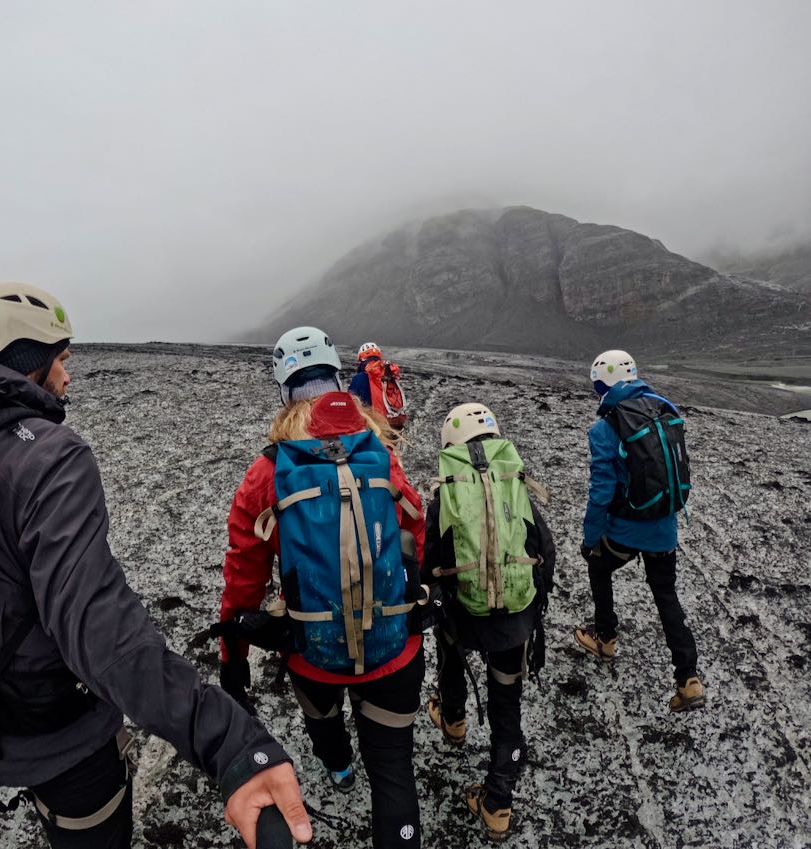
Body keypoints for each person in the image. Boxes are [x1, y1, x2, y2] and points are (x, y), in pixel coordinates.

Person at [0, 282, 312, 849]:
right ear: (26, 361)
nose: (68, 376)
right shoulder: (49, 456)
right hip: (58, 725)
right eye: (60, 360)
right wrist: (231, 743)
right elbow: (99, 632)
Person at [218, 326, 427, 849]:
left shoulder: (268, 470)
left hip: (313, 650)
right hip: (393, 647)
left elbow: (243, 576)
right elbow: (413, 528)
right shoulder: (378, 450)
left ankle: (338, 770)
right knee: (395, 774)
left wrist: (233, 655)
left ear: (284, 391)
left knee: (325, 721)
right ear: (338, 380)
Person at [421, 403, 555, 842]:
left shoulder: (447, 492)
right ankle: (497, 803)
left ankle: (455, 721)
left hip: (463, 615)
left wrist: (437, 593)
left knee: (450, 654)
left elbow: (431, 558)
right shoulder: (515, 483)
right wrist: (537, 607)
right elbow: (544, 547)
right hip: (515, 616)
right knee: (506, 704)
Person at [573, 349, 704, 713]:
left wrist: (589, 539)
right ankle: (688, 678)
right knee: (666, 595)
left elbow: (601, 493)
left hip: (625, 532)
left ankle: (606, 637)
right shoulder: (666, 410)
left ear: (601, 385)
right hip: (663, 528)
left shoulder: (604, 428)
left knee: (599, 567)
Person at [348, 342, 408, 430]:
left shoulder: (360, 378)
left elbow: (351, 406)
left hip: (372, 428)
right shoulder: (389, 377)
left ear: (362, 359)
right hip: (391, 426)